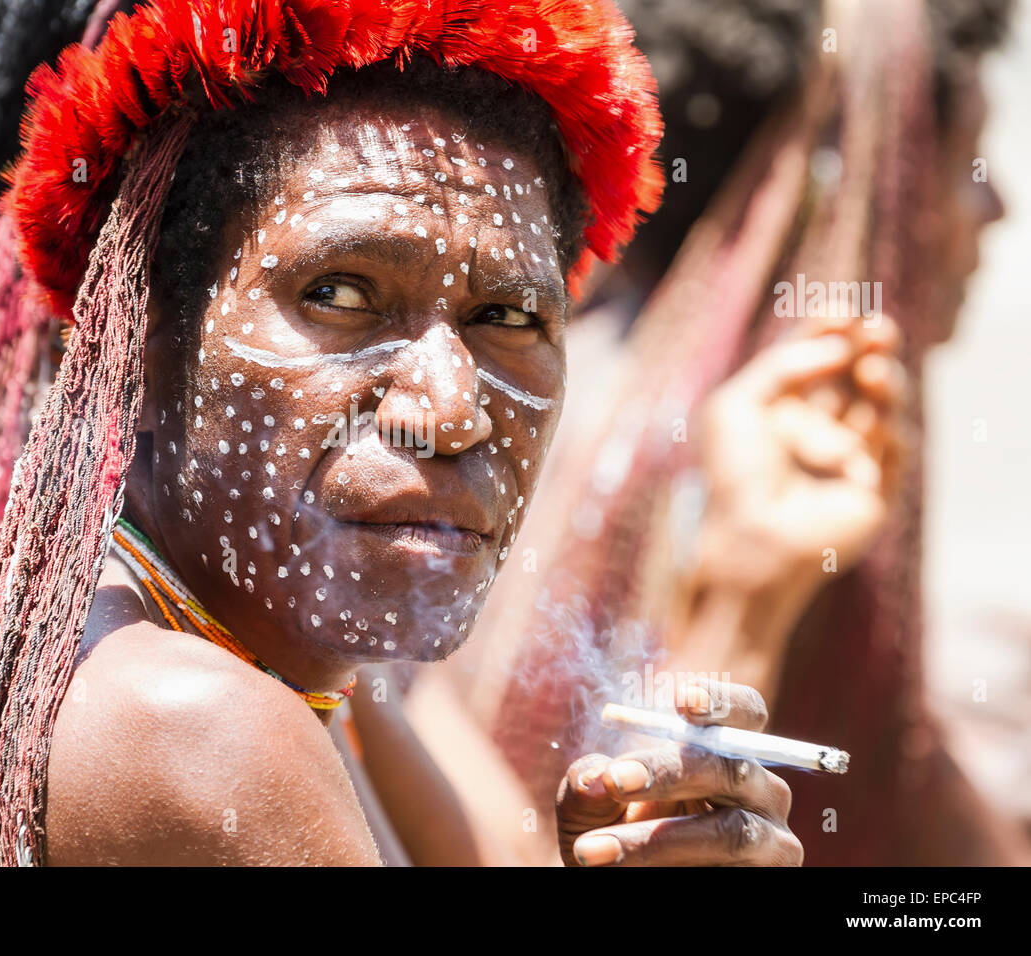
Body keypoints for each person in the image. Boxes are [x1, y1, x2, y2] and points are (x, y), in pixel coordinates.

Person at [0, 0, 802, 867]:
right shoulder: (190, 724)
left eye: (508, 316)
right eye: (339, 295)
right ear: (141, 347)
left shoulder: (318, 680)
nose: (449, 409)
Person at [417, 0, 1028, 866]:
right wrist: (745, 605)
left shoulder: (569, 371)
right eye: (964, 160)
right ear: (858, 185)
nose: (996, 204)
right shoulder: (785, 466)